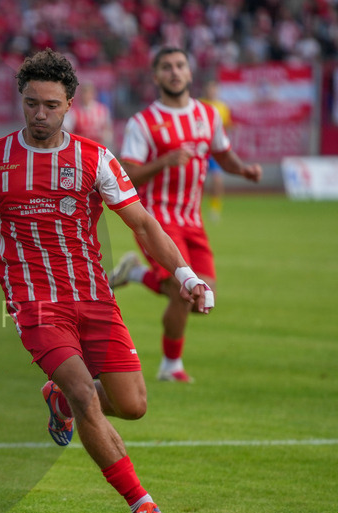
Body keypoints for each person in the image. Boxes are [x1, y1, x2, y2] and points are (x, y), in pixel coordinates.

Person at [0, 48, 215, 513]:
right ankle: (141, 502)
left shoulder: (94, 158)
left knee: (133, 405)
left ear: (69, 105)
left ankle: (56, 399)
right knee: (84, 393)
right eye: (32, 103)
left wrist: (185, 275)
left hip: (95, 297)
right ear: (21, 100)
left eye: (51, 105)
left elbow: (143, 224)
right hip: (35, 303)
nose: (40, 114)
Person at [109, 47, 261, 383]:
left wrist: (244, 170)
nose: (175, 72)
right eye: (166, 67)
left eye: (180, 66)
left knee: (205, 297)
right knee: (183, 290)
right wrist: (165, 160)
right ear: (156, 76)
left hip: (193, 220)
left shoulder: (208, 116)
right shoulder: (143, 122)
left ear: (190, 73)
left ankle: (134, 274)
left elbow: (222, 152)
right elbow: (127, 175)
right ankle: (170, 366)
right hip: (157, 220)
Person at [199, 79, 231, 223]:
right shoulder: (199, 104)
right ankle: (194, 208)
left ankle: (215, 209)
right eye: (209, 89)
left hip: (214, 151)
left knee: (217, 180)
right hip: (200, 148)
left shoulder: (222, 107)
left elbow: (225, 126)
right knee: (196, 180)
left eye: (214, 89)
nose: (211, 91)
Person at [63, 81, 113, 148]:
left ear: (93, 94)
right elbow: (67, 130)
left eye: (89, 92)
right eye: (84, 92)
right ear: (80, 94)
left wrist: (104, 136)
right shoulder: (74, 111)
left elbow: (108, 131)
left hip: (97, 147)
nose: (86, 95)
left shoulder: (102, 110)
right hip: (80, 148)